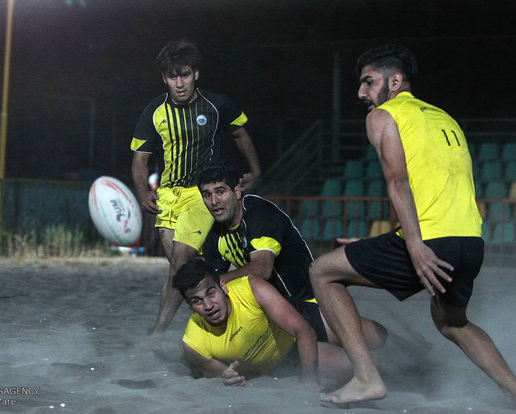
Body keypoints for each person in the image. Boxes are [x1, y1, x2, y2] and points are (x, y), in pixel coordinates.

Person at [309, 44, 516, 410]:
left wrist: (414, 246)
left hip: (429, 241)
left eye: (368, 82)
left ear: (395, 80)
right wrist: (390, 240)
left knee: (322, 272)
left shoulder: (383, 116)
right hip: (470, 242)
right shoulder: (444, 118)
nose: (361, 93)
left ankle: (367, 379)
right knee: (453, 323)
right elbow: (435, 188)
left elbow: (398, 183)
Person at [130, 40, 261, 334]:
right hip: (167, 197)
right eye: (173, 77)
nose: (180, 83)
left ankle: (158, 332)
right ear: (165, 78)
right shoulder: (154, 112)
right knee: (180, 271)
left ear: (196, 74)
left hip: (202, 194)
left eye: (185, 75)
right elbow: (140, 160)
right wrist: (141, 191)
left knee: (181, 261)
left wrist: (255, 169)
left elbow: (240, 134)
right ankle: (212, 320)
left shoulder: (217, 104)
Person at [173, 258, 386, 389]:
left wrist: (309, 380)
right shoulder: (194, 344)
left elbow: (303, 329)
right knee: (353, 365)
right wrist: (229, 377)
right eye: (197, 301)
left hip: (301, 320)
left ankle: (417, 352)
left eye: (211, 293)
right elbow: (227, 377)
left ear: (223, 286)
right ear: (189, 306)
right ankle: (409, 372)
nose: (208, 305)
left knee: (377, 334)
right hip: (286, 357)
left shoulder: (250, 287)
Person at [198, 161, 314, 301]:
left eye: (220, 192)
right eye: (207, 195)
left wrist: (216, 281)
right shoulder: (215, 233)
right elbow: (212, 277)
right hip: (265, 307)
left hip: (307, 302)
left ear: (237, 192)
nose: (214, 201)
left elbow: (262, 268)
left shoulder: (260, 212)